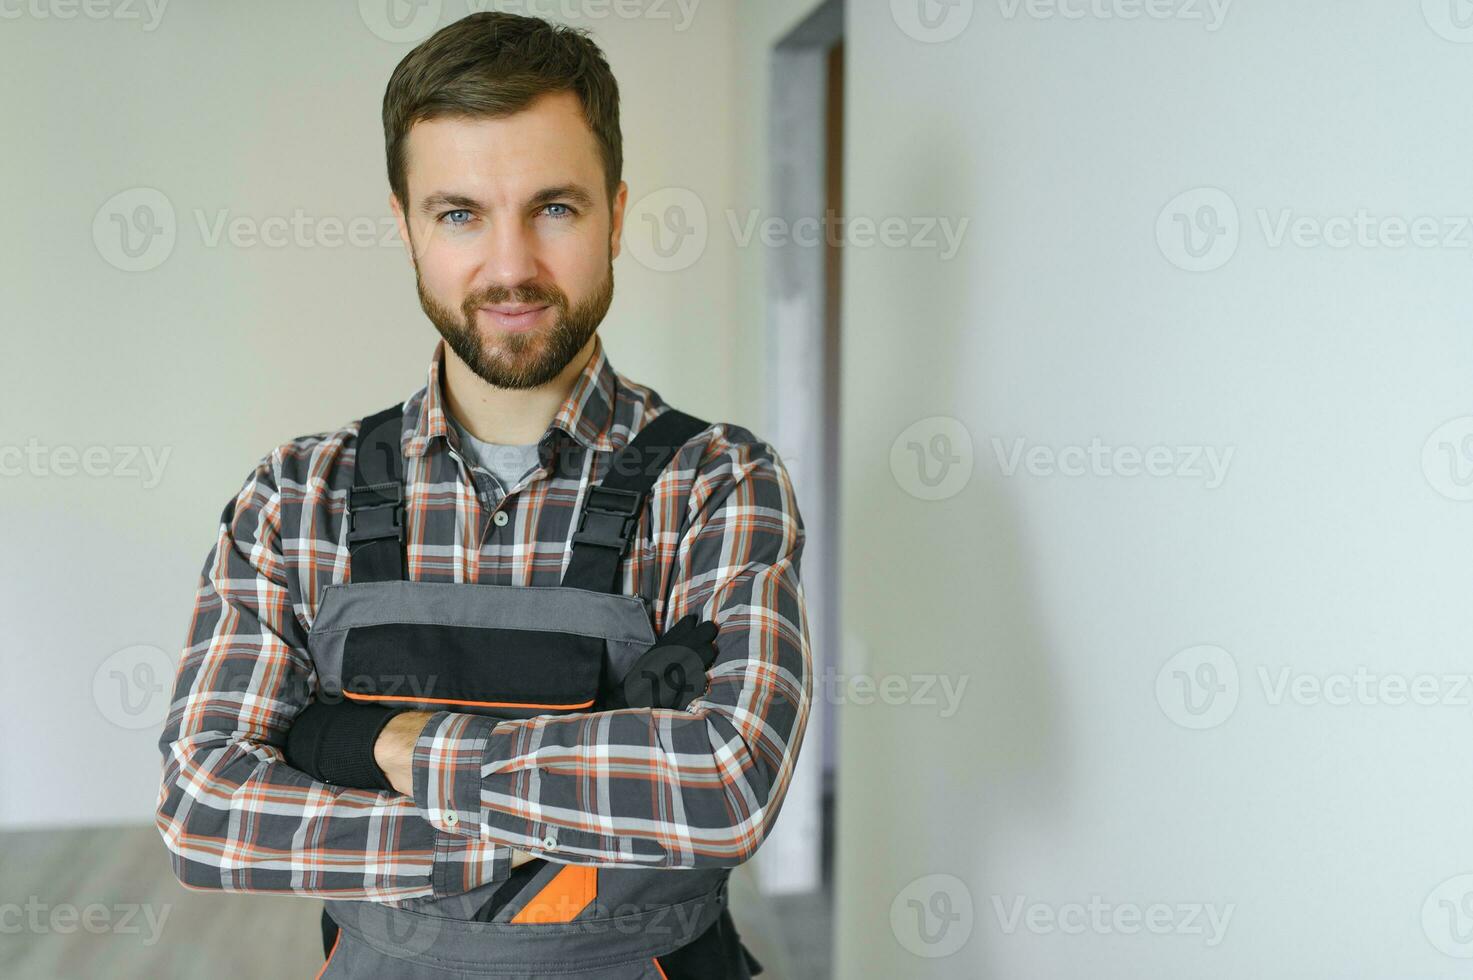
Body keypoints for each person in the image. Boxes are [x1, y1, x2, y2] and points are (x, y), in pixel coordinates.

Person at [153, 12, 809, 978]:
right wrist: (512, 847)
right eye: (459, 212)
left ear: (617, 215)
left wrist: (374, 744)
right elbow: (206, 807)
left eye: (555, 208)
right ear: (405, 225)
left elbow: (725, 787)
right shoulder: (296, 495)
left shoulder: (718, 483)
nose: (510, 267)